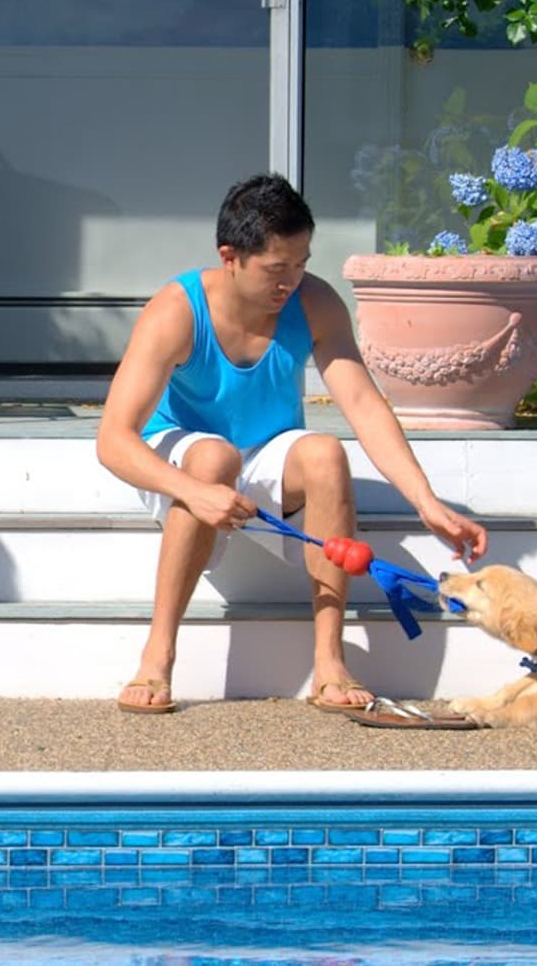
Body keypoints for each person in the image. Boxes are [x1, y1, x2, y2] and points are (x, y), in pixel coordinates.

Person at [96, 174, 488, 714]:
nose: (292, 280)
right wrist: (195, 489)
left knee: (326, 453)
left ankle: (329, 663)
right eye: (278, 268)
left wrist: (426, 502)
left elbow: (365, 406)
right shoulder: (178, 309)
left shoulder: (315, 304)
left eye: (301, 263)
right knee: (214, 457)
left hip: (262, 451)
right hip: (182, 458)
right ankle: (157, 657)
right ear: (230, 256)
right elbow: (113, 440)